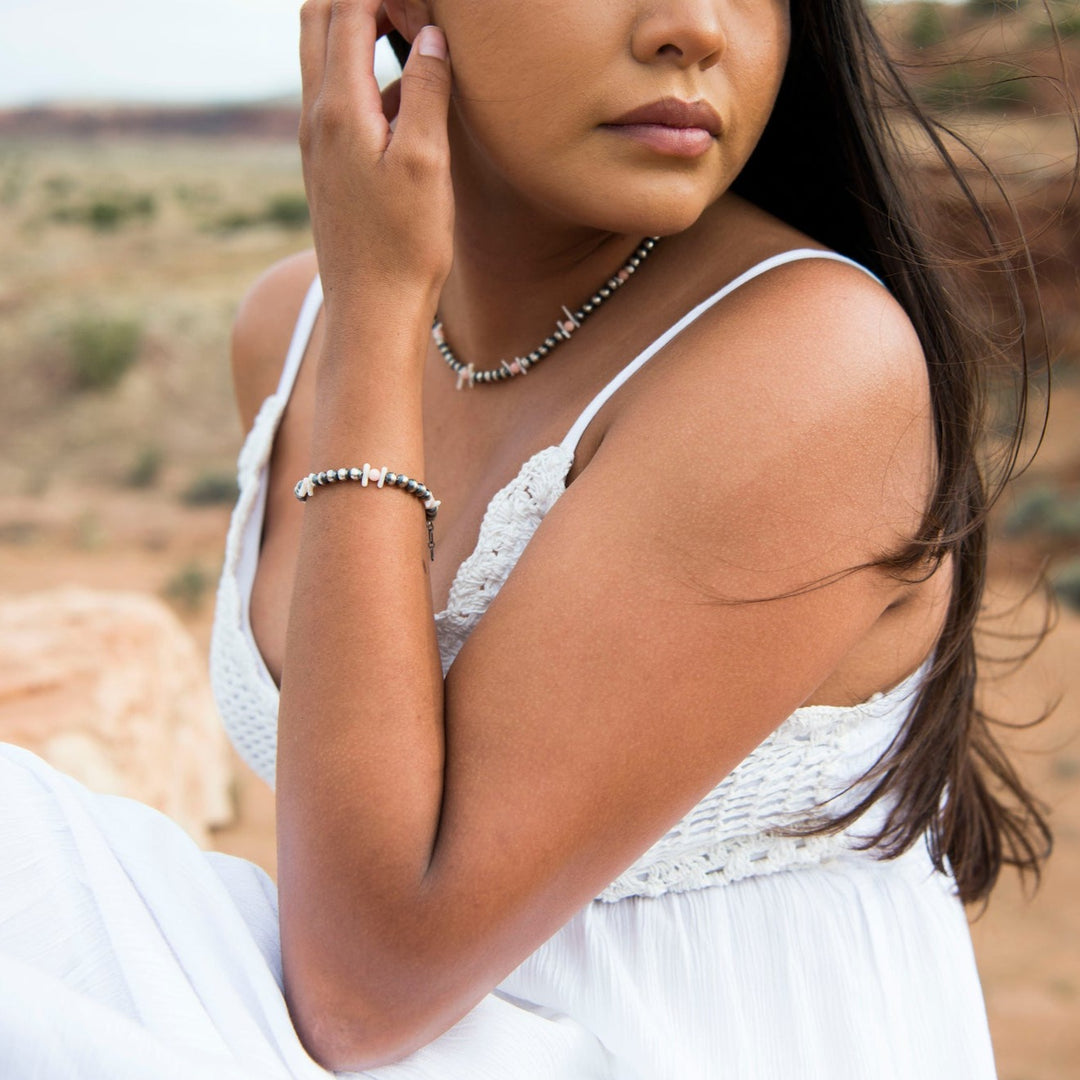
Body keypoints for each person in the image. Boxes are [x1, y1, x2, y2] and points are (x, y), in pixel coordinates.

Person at [0, 1, 1054, 1077]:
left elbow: (367, 982)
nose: (692, 27)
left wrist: (375, 317)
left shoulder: (811, 364)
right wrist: (369, 307)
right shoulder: (287, 329)